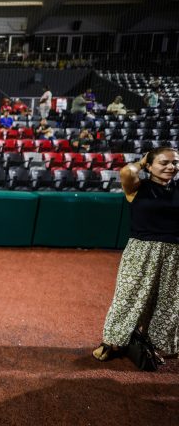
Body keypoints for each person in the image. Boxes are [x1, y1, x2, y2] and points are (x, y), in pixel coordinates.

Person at [93, 147, 179, 362]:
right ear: (149, 166)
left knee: (168, 302)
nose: (171, 167)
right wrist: (141, 162)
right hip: (142, 250)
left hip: (175, 252)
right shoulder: (138, 187)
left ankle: (154, 345)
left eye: (175, 163)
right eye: (164, 163)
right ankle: (112, 342)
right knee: (128, 297)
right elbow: (126, 172)